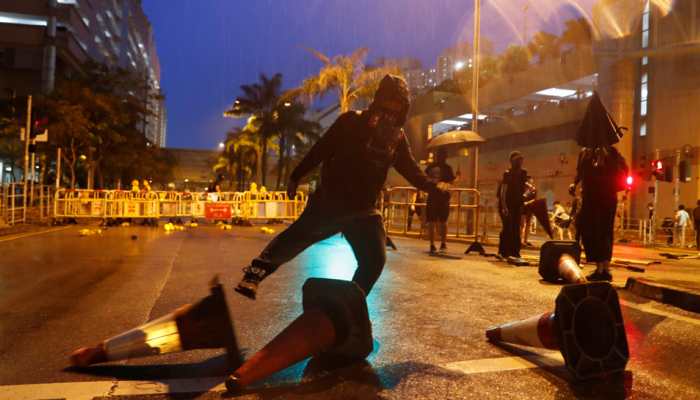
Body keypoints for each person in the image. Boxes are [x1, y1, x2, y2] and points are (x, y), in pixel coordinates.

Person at [234, 75, 447, 299]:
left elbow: (411, 171)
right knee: (296, 238)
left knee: (375, 259)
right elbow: (321, 149)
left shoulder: (397, 139)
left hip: (364, 210)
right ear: (377, 101)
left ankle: (350, 302)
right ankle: (254, 275)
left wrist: (434, 188)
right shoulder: (350, 122)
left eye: (396, 109)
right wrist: (296, 176)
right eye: (387, 105)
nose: (389, 114)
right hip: (330, 201)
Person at [570, 92, 628, 282]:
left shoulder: (606, 154)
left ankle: (603, 268)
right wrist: (575, 183)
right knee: (596, 232)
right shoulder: (592, 154)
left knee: (599, 232)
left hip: (599, 199)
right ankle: (601, 267)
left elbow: (621, 172)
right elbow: (580, 173)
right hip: (598, 199)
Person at [424, 148, 455, 254]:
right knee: (443, 221)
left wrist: (432, 181)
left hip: (433, 197)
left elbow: (425, 179)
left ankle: (432, 244)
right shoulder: (448, 168)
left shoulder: (430, 167)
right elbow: (452, 182)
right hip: (443, 198)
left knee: (432, 222)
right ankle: (443, 243)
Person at [497, 151, 528, 259]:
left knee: (516, 228)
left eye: (521, 159)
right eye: (517, 160)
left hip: (517, 204)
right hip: (506, 204)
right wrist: (504, 206)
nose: (519, 162)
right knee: (507, 228)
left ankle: (515, 252)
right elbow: (503, 191)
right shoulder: (507, 173)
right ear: (512, 162)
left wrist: (524, 199)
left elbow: (525, 188)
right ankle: (503, 251)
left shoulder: (524, 173)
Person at [520, 177, 536, 247]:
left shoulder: (533, 189)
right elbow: (522, 197)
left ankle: (525, 240)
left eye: (531, 181)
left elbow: (534, 199)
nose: (530, 182)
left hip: (529, 209)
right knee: (522, 225)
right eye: (529, 181)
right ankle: (520, 240)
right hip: (523, 209)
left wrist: (529, 202)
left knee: (528, 225)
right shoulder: (523, 188)